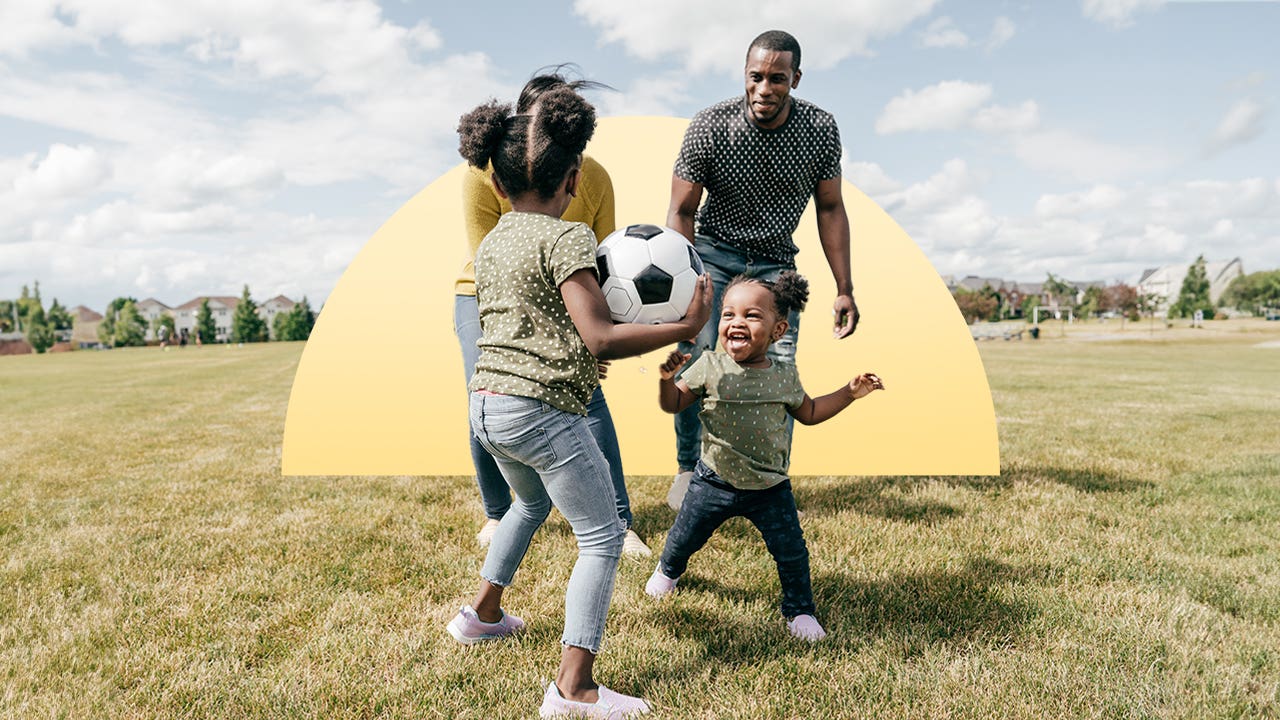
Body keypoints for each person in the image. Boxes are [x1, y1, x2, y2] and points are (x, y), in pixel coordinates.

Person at [447, 87, 711, 718]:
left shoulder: (494, 240)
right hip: (538, 412)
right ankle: (574, 689)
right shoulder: (567, 239)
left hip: (487, 407)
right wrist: (684, 323)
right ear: (572, 178)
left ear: (499, 184)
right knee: (601, 539)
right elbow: (599, 335)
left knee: (530, 503)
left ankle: (480, 615)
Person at [454, 69, 651, 557]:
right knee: (489, 386)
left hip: (569, 290)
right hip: (487, 292)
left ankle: (620, 522)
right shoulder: (484, 174)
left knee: (591, 399)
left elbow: (606, 261)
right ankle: (498, 514)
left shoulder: (594, 176)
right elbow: (490, 263)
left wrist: (597, 332)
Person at [665, 29, 859, 509]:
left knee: (781, 372)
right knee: (697, 362)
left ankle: (768, 482)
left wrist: (844, 288)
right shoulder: (711, 125)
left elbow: (830, 207)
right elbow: (681, 210)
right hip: (712, 254)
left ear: (795, 78)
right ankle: (691, 471)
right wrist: (689, 282)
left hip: (776, 265)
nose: (764, 88)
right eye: (756, 77)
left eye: (777, 78)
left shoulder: (819, 128)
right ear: (744, 75)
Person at [645, 271, 883, 641]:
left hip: (770, 487)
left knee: (791, 553)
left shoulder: (784, 375)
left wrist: (849, 393)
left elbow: (811, 413)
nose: (737, 322)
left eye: (752, 315)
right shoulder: (708, 366)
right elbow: (674, 404)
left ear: (778, 330)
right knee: (684, 536)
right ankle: (667, 572)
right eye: (728, 314)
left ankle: (800, 611)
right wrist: (665, 380)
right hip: (712, 481)